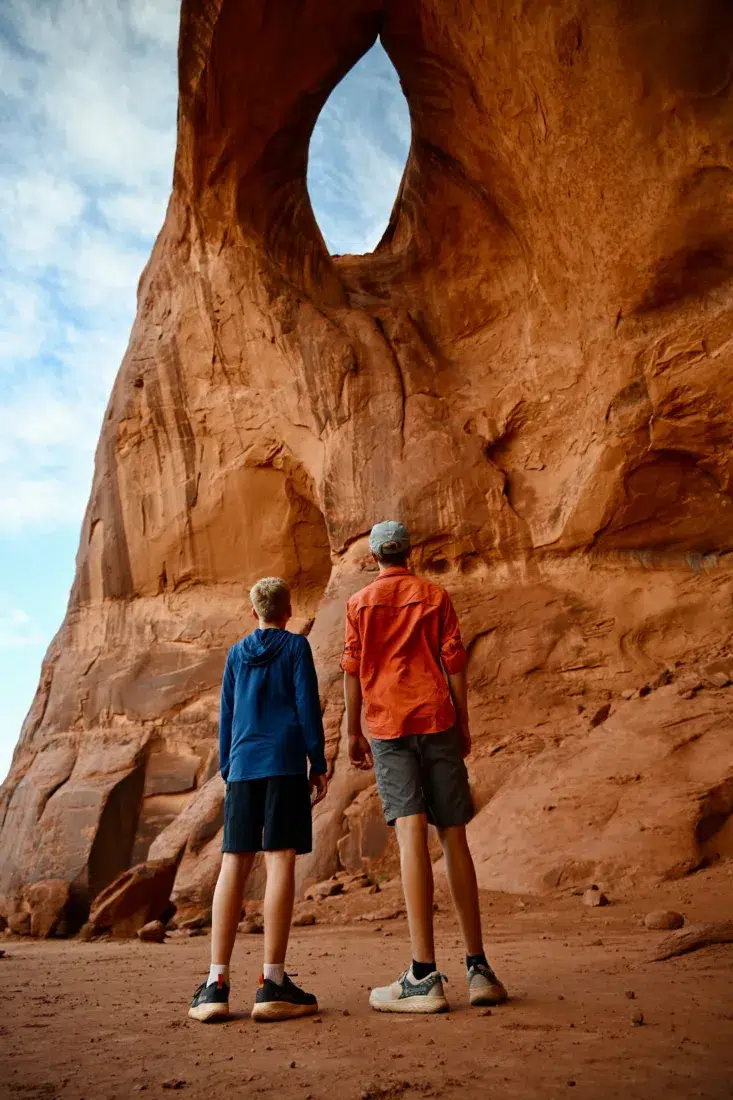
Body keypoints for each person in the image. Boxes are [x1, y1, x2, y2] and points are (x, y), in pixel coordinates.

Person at [342, 521, 507, 1014]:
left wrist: (351, 731)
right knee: (453, 835)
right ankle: (478, 969)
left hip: (389, 726)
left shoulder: (358, 604)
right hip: (436, 716)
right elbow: (454, 661)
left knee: (411, 833)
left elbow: (352, 671)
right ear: (408, 553)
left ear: (374, 557)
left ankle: (422, 974)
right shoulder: (435, 596)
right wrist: (462, 722)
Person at [189, 577, 328, 1023]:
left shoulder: (235, 655)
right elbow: (308, 706)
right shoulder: (295, 648)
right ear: (287, 611)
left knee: (234, 861)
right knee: (280, 860)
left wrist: (230, 768)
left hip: (244, 765)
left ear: (254, 613)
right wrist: (318, 762)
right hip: (285, 762)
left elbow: (226, 714)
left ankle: (215, 984)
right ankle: (272, 982)